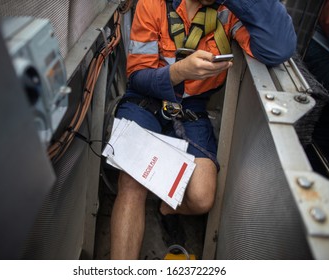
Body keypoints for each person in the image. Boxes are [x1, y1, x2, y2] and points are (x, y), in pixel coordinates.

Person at [110, 0, 296, 259]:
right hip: (145, 99)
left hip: (190, 109)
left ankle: (166, 208)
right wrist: (178, 72)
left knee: (202, 198)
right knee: (132, 182)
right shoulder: (153, 4)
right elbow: (138, 76)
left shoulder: (229, 12)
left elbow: (279, 48)